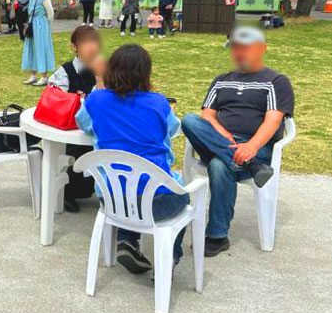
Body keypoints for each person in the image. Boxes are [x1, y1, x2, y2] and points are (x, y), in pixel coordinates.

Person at [180, 26, 294, 257]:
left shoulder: (276, 81)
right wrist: (225, 136)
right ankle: (251, 167)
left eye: (246, 47)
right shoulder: (221, 80)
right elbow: (207, 117)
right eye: (235, 47)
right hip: (217, 140)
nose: (240, 52)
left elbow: (273, 121)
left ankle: (217, 236)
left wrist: (251, 146)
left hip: (257, 148)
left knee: (219, 166)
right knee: (189, 120)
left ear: (262, 48)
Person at [76, 44, 186, 274]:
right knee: (184, 193)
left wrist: (99, 84)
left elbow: (83, 123)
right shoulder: (158, 103)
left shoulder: (96, 100)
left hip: (112, 199)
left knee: (128, 179)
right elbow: (172, 128)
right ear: (146, 72)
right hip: (157, 202)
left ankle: (127, 240)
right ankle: (169, 259)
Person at [48, 26, 106, 212]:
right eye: (86, 42)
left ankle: (103, 189)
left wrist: (101, 79)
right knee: (76, 151)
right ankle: (68, 191)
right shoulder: (65, 72)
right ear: (74, 47)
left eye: (95, 41)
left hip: (96, 128)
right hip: (70, 129)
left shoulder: (104, 72)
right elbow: (56, 100)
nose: (92, 47)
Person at [21, 0, 55, 86]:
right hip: (32, 23)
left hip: (41, 24)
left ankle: (44, 76)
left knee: (41, 48)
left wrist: (47, 27)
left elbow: (50, 12)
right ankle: (33, 75)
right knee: (32, 48)